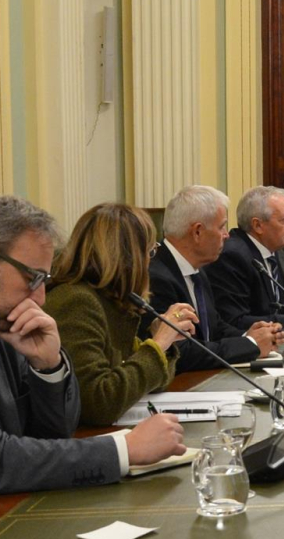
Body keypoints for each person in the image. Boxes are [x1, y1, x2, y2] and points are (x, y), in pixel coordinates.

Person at [0, 196, 185, 493]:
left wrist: (49, 367)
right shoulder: (71, 300)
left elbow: (54, 435)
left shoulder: (12, 327)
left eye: (44, 279)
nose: (41, 299)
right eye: (32, 278)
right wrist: (124, 450)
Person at [45, 203, 198, 427]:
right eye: (150, 252)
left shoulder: (109, 298)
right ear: (130, 258)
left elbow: (153, 382)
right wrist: (157, 344)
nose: (150, 262)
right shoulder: (77, 301)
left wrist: (159, 343)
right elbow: (99, 403)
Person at [147, 185, 284, 373]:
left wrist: (251, 334)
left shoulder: (197, 268)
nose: (226, 235)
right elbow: (181, 353)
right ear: (197, 232)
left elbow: (214, 327)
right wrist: (250, 344)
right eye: (221, 227)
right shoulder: (156, 277)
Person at [206, 186, 284, 334]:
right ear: (258, 225)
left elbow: (274, 306)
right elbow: (235, 321)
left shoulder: (273, 249)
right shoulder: (233, 256)